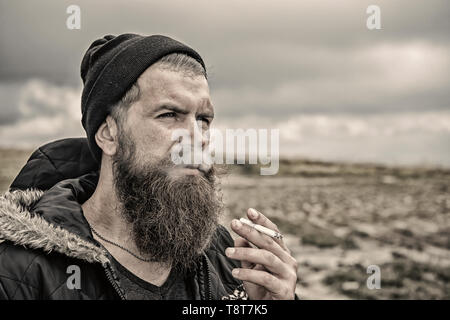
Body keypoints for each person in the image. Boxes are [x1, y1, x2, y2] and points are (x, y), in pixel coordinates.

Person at [0, 33, 298, 300]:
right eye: (169, 114)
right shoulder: (20, 271)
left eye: (203, 119)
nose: (197, 139)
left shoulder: (228, 256)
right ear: (108, 133)